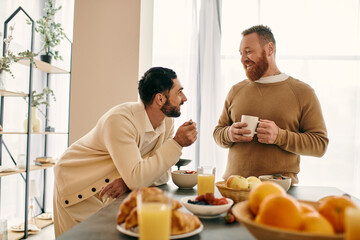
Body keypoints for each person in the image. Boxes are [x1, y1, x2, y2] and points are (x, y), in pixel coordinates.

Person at [53, 67, 197, 237]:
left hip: (107, 189)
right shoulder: (120, 121)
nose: (184, 98)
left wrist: (129, 180)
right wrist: (176, 144)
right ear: (160, 99)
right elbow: (139, 177)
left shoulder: (166, 123)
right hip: (75, 181)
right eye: (179, 92)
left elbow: (162, 174)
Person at [213, 25, 328, 184]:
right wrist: (229, 134)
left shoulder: (302, 92)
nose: (243, 59)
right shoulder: (236, 90)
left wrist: (279, 136)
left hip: (279, 190)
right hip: (234, 187)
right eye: (241, 53)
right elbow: (218, 132)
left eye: (248, 51)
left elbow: (319, 144)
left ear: (269, 49)